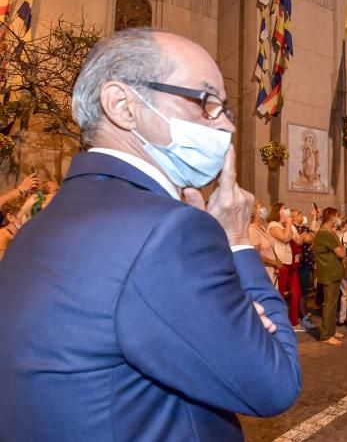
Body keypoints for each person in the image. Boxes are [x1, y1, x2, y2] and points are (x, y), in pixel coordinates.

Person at [0, 29, 301, 440]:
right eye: (205, 102)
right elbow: (275, 381)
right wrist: (237, 242)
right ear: (123, 105)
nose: (227, 123)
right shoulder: (167, 230)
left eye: (224, 108)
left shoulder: (39, 226)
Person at [312, 207, 346, 345]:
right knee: (329, 305)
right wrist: (342, 248)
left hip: (333, 272)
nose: (338, 219)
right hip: (329, 273)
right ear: (332, 218)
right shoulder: (325, 234)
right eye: (337, 216)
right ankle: (326, 335)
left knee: (332, 304)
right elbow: (341, 253)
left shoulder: (329, 233)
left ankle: (331, 330)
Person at [267, 202, 303, 329]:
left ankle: (294, 321)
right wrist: (288, 223)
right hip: (280, 263)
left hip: (290, 262)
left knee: (296, 292)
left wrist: (291, 227)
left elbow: (299, 240)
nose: (287, 210)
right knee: (280, 293)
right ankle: (279, 322)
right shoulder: (273, 225)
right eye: (284, 208)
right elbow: (284, 238)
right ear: (278, 211)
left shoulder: (288, 225)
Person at [290, 208, 317, 330]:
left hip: (307, 264)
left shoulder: (303, 228)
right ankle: (302, 315)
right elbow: (309, 239)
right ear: (292, 217)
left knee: (305, 291)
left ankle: (302, 313)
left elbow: (313, 236)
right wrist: (309, 235)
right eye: (298, 214)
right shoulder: (294, 228)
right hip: (301, 265)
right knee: (302, 292)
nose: (302, 215)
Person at [248, 201, 283, 285]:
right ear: (254, 215)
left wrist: (277, 261)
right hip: (262, 270)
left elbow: (271, 247)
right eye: (260, 209)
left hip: (271, 269)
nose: (264, 211)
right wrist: (274, 263)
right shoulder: (251, 230)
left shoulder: (263, 227)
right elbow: (256, 255)